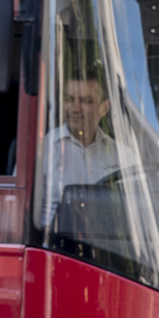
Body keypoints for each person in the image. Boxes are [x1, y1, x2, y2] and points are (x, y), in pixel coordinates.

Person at [39, 74, 120, 224]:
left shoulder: (121, 155)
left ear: (104, 108)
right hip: (52, 241)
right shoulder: (42, 149)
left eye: (85, 101)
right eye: (69, 100)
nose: (75, 109)